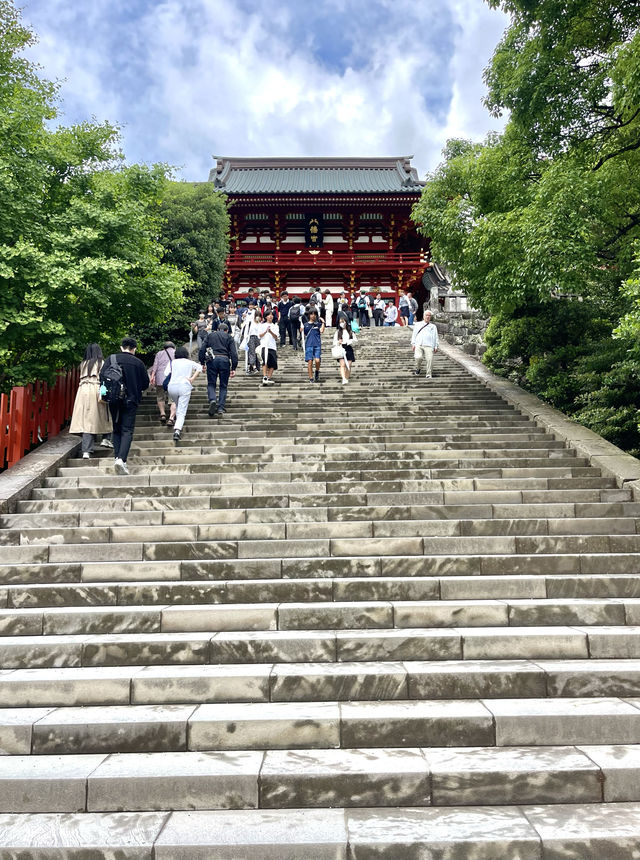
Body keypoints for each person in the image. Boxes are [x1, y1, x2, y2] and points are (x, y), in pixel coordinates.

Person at [101, 337, 149, 475]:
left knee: (116, 428)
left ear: (122, 347)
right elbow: (145, 384)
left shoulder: (111, 359)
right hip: (131, 400)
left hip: (114, 399)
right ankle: (122, 460)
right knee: (127, 430)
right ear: (134, 349)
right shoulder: (138, 362)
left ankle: (117, 457)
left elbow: (102, 376)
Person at [69, 344, 113, 458]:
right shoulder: (101, 363)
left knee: (86, 420)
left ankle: (87, 450)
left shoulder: (83, 364)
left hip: (82, 391)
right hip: (96, 390)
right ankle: (105, 439)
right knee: (103, 415)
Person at [200, 321, 238, 415]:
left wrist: (202, 362)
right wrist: (233, 368)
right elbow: (234, 353)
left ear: (217, 329)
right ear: (227, 330)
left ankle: (212, 399)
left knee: (211, 384)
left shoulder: (210, 335)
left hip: (212, 360)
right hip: (224, 360)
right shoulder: (229, 337)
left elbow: (202, 349)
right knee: (223, 385)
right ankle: (221, 407)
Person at [166, 346, 201, 443]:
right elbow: (199, 367)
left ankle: (175, 420)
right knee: (182, 410)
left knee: (177, 404)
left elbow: (166, 373)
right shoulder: (189, 362)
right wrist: (192, 378)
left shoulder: (172, 362)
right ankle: (177, 430)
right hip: (184, 386)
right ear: (186, 354)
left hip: (172, 387)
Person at [149, 341, 176, 426]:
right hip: (172, 378)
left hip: (160, 378)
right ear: (173, 347)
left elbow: (155, 366)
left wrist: (152, 377)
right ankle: (171, 418)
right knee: (173, 398)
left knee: (160, 397)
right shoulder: (176, 353)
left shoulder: (159, 353)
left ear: (164, 347)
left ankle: (163, 414)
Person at [411, 310, 439, 379]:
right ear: (423, 316)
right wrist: (413, 343)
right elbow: (414, 334)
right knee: (418, 357)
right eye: (426, 315)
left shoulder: (433, 326)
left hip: (429, 345)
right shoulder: (418, 324)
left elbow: (436, 336)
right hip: (419, 344)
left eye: (429, 315)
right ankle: (418, 368)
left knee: (430, 359)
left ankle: (429, 374)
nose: (428, 317)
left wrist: (436, 346)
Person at [302, 308, 325, 383]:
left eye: (315, 314)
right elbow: (303, 334)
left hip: (317, 344)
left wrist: (323, 322)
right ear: (309, 315)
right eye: (311, 314)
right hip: (309, 345)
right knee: (310, 361)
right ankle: (311, 377)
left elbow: (321, 331)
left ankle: (317, 371)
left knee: (317, 360)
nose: (313, 315)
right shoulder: (305, 325)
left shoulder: (318, 324)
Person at [258, 309, 280, 385]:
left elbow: (276, 337)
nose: (271, 316)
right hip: (264, 345)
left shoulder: (275, 326)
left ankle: (269, 377)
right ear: (265, 317)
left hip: (272, 346)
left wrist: (270, 332)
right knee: (265, 361)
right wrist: (265, 331)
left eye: (272, 315)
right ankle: (264, 376)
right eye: (269, 315)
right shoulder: (262, 325)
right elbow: (259, 335)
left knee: (273, 363)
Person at [333, 318, 357, 385]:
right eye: (340, 322)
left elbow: (355, 340)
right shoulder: (338, 332)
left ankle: (346, 378)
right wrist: (338, 342)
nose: (342, 323)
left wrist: (349, 341)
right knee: (342, 364)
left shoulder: (350, 331)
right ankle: (343, 378)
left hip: (348, 348)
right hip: (341, 348)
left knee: (348, 365)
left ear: (346, 322)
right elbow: (334, 342)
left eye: (343, 322)